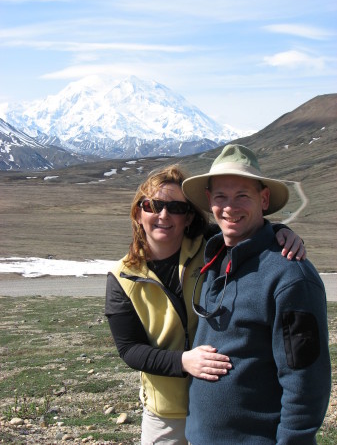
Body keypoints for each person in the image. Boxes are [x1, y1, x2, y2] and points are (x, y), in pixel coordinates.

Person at [105, 164, 306, 445]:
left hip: (220, 411)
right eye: (153, 205)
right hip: (166, 410)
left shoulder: (212, 246)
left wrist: (280, 232)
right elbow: (129, 349)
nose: (164, 215)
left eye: (176, 208)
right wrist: (184, 362)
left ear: (188, 218)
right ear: (138, 213)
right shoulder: (122, 277)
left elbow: (243, 226)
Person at [182, 144, 331, 445]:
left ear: (263, 200)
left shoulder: (290, 276)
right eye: (221, 196)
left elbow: (305, 378)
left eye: (242, 196)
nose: (230, 208)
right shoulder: (215, 257)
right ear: (209, 200)